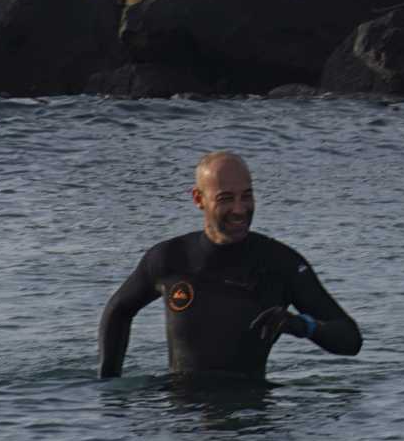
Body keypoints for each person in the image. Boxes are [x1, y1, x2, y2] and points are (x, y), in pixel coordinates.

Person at [98, 151, 362, 382]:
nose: (240, 209)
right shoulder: (170, 258)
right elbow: (118, 311)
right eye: (226, 199)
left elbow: (351, 339)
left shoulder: (281, 263)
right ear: (198, 199)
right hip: (184, 418)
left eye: (246, 196)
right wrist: (110, 387)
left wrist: (303, 326)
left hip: (251, 414)